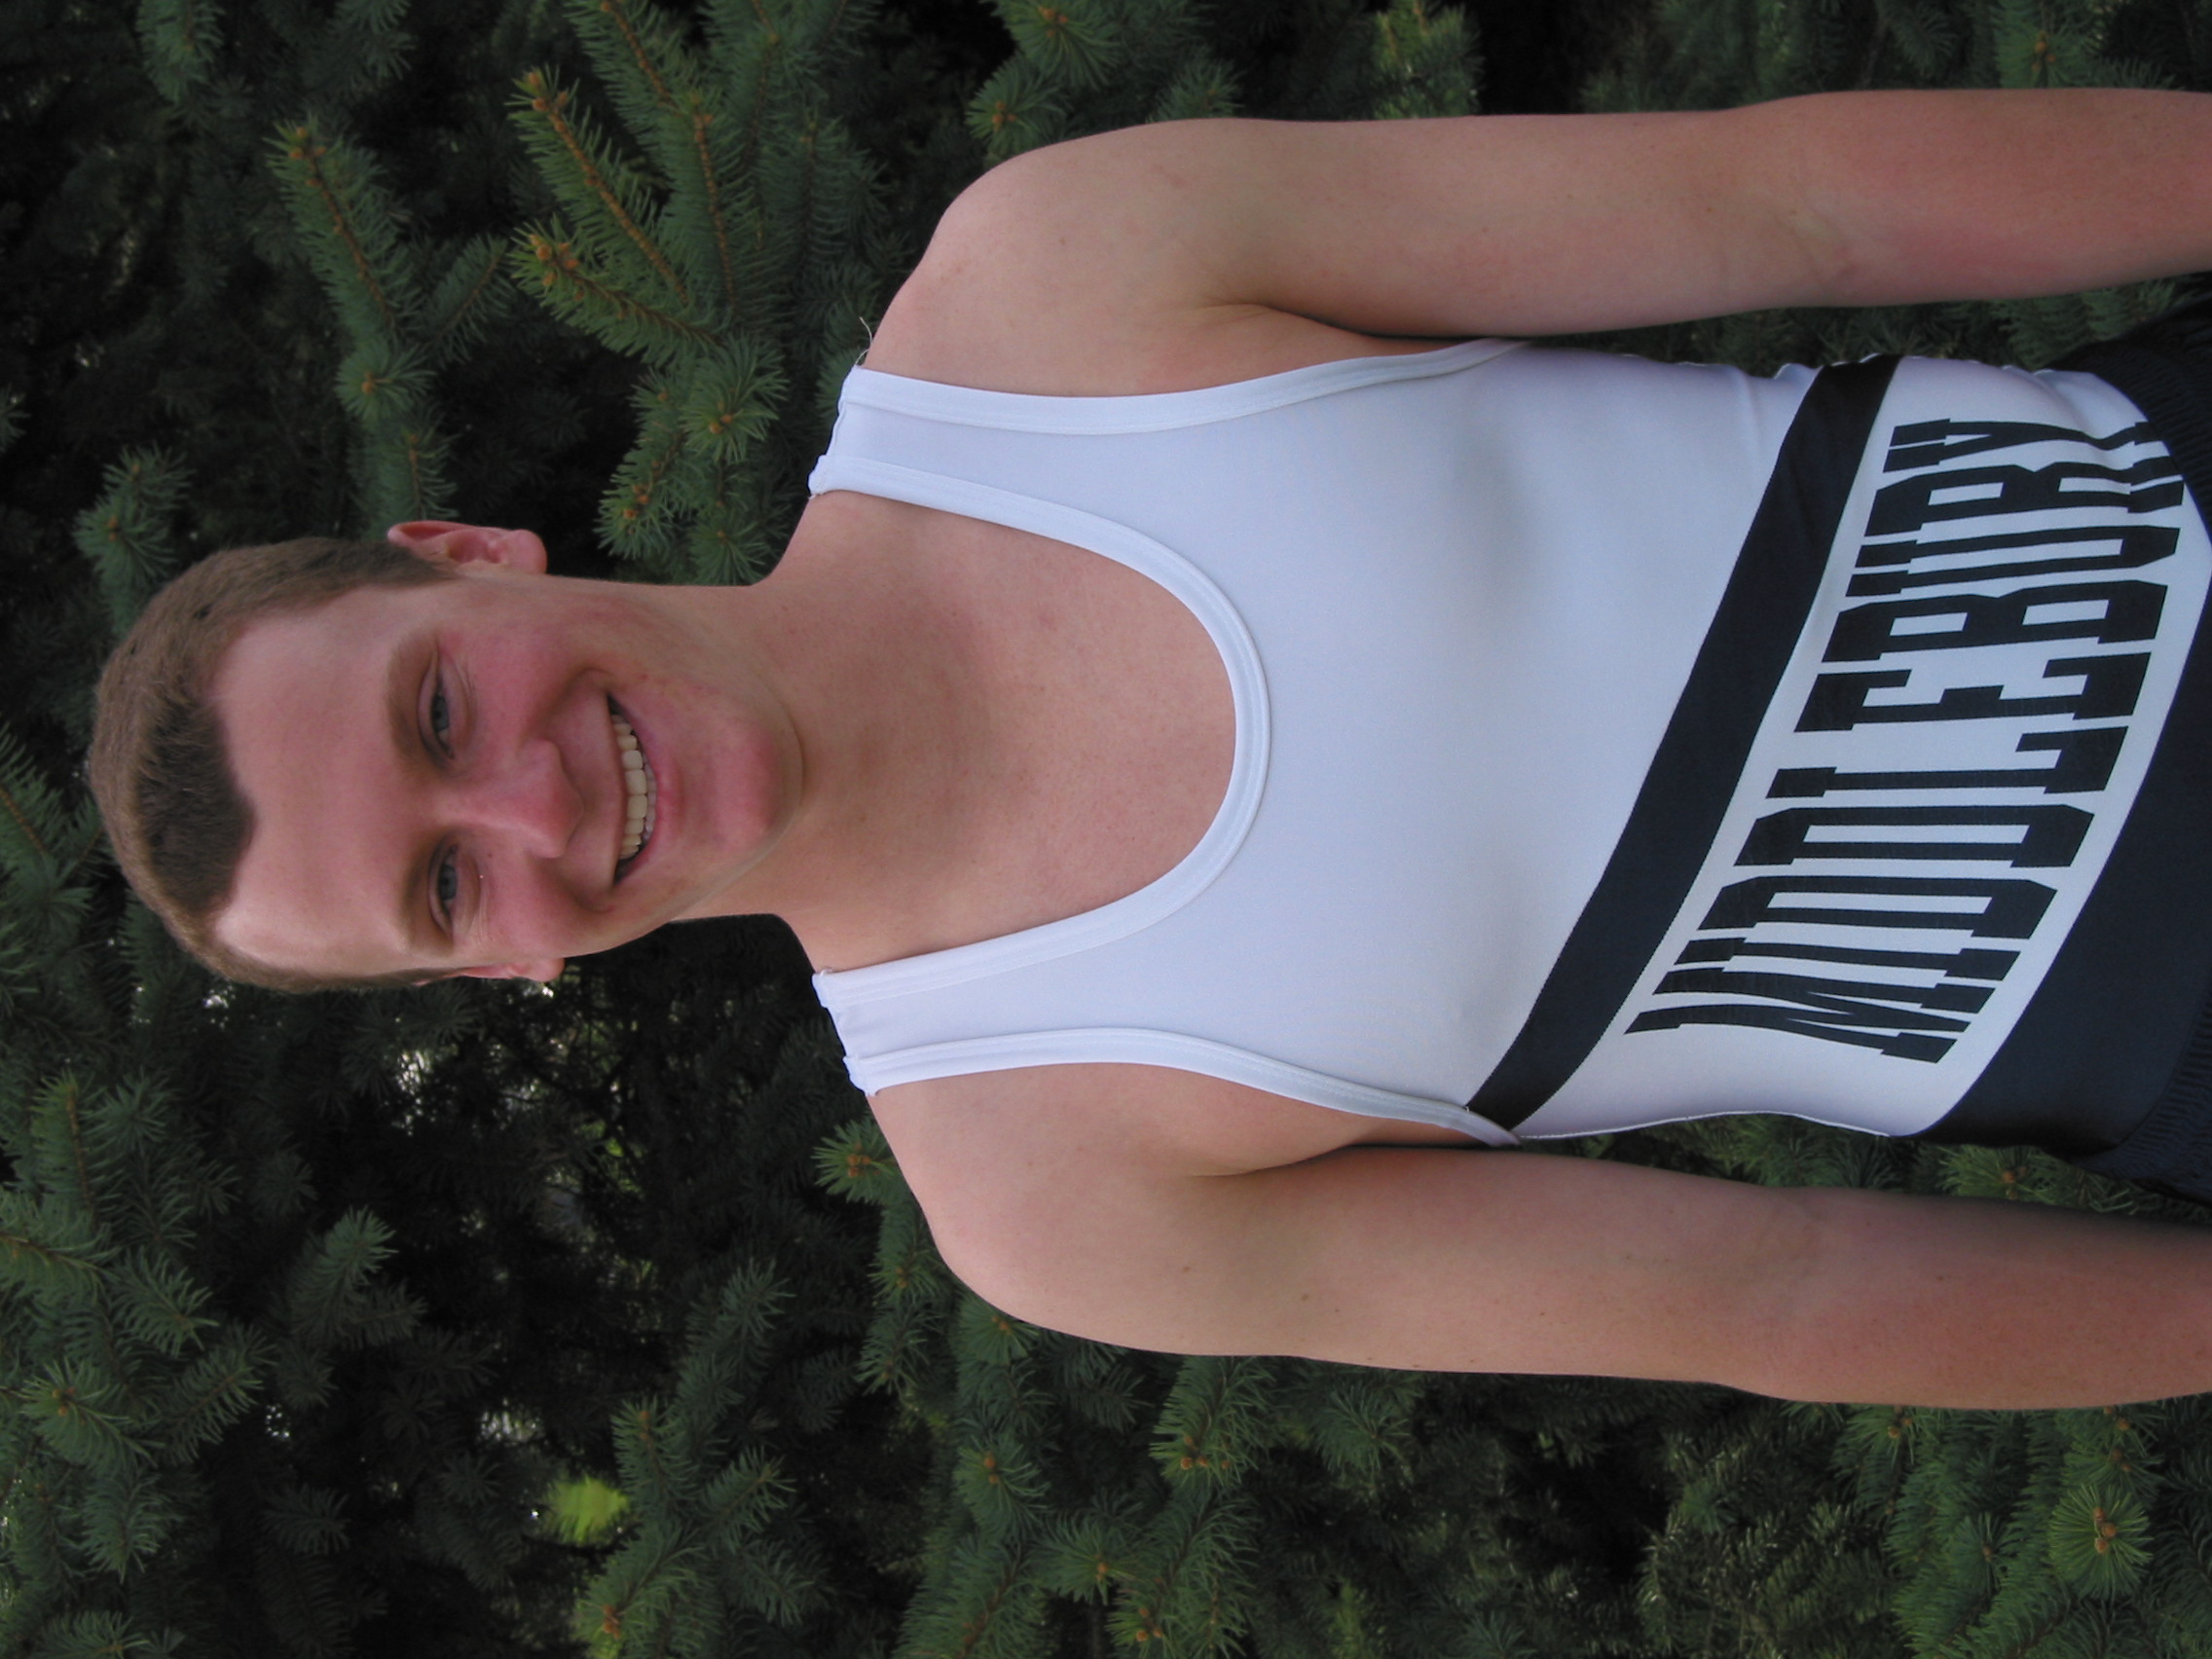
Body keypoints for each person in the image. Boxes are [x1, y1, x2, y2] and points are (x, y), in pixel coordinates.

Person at [89, 90, 2212, 1410]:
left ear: (465, 557)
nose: (530, 798)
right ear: (493, 964)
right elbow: (1787, 1298)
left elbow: (1797, 207)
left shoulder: (1052, 299)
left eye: (437, 711)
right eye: (445, 877)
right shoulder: (1046, 1191)